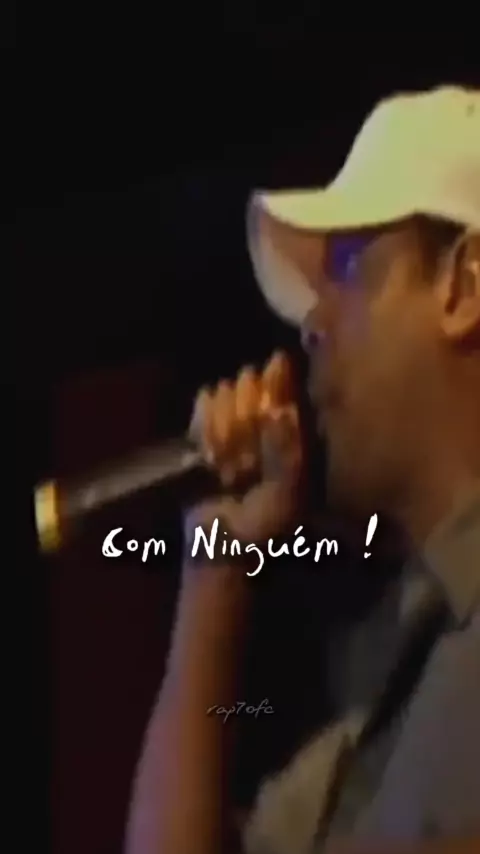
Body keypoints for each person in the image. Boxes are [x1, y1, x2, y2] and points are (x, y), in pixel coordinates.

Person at [125, 85, 480, 853]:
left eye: (349, 266)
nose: (313, 323)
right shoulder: (388, 682)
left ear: (463, 287)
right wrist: (215, 573)